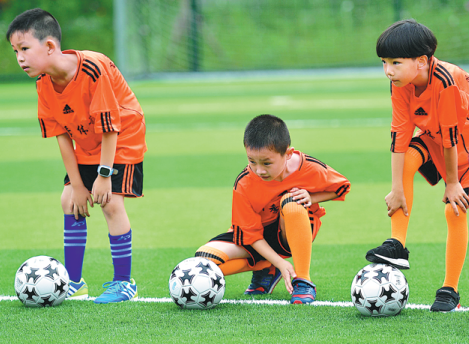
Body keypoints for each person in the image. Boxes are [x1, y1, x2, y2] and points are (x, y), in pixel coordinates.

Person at [6, 8, 146, 304]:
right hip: (85, 140)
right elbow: (61, 135)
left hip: (122, 138)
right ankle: (73, 281)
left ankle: (124, 283)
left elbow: (111, 129)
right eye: (15, 50)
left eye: (24, 49)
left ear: (49, 46)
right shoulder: (43, 83)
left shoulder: (92, 69)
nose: (19, 57)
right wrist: (79, 185)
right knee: (69, 199)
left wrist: (103, 176)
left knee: (110, 203)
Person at [365, 19, 469, 312]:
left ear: (422, 62)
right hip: (439, 141)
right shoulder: (400, 83)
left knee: (455, 208)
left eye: (395, 62)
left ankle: (450, 289)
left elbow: (451, 139)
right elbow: (400, 133)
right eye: (384, 62)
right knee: (409, 156)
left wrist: (452, 184)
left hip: (462, 149)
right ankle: (397, 244)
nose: (388, 70)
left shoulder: (447, 81)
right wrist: (396, 189)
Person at [195, 114, 350, 304]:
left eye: (266, 163)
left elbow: (341, 186)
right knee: (202, 261)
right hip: (258, 240)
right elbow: (250, 235)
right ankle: (267, 268)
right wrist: (279, 262)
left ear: (288, 154)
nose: (259, 170)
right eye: (252, 161)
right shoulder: (244, 183)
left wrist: (312, 197)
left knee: (291, 201)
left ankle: (303, 280)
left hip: (291, 233)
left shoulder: (309, 167)